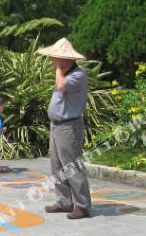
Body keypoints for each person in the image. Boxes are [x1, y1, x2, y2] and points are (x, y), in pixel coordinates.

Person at [37, 38, 92, 220]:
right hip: (57, 126)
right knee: (57, 166)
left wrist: (59, 68)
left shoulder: (77, 76)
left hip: (69, 126)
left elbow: (61, 88)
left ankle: (82, 205)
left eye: (54, 57)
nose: (51, 61)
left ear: (64, 59)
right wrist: (60, 68)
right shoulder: (64, 73)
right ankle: (64, 201)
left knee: (72, 166)